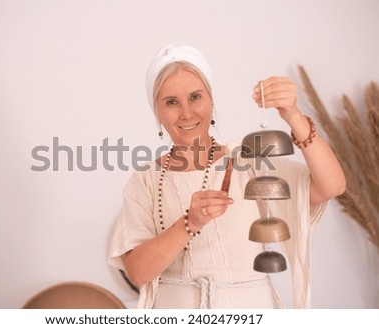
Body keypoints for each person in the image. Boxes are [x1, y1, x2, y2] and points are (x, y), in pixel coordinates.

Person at [108, 45, 345, 308]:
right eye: (171, 102)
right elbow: (138, 272)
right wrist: (190, 222)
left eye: (196, 97)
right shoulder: (147, 180)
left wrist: (293, 115)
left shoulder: (248, 161)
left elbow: (331, 186)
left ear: (211, 100)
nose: (186, 113)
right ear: (157, 112)